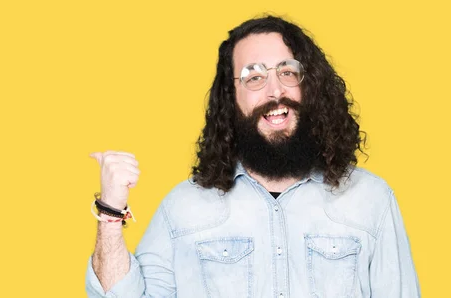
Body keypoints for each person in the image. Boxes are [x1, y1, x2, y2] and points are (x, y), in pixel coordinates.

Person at [85, 15, 420, 298]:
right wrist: (111, 212)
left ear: (310, 84)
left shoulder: (371, 200)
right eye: (254, 77)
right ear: (232, 98)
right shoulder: (184, 207)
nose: (275, 91)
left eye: (288, 71)